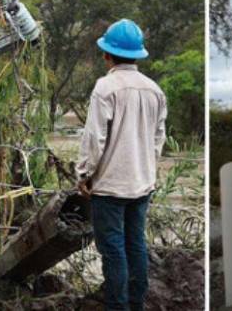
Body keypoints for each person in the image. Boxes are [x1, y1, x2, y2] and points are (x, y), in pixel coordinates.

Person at [76, 20, 167, 311]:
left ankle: (117, 307)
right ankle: (136, 303)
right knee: (136, 244)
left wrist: (83, 175)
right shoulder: (155, 90)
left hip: (110, 188)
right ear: (138, 55)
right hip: (142, 185)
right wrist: (148, 171)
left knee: (113, 251)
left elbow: (94, 139)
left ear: (106, 55)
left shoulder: (105, 88)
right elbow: (157, 140)